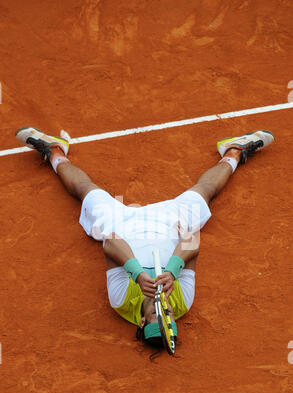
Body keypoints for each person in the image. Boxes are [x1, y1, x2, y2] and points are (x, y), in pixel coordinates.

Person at [15, 127, 274, 350]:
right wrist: (174, 270)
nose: (163, 308)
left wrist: (137, 273)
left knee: (86, 192)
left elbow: (111, 241)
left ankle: (54, 151)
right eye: (169, 314)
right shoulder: (183, 301)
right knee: (203, 193)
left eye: (155, 315)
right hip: (169, 223)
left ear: (141, 321)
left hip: (122, 224)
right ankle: (234, 151)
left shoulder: (122, 301)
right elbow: (191, 240)